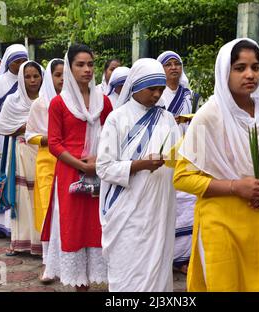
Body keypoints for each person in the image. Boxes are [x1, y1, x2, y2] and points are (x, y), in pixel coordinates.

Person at [173, 39, 259, 292]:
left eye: (255, 67)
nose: (250, 74)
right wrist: (236, 186)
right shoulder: (207, 116)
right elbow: (182, 177)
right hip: (220, 222)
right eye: (240, 67)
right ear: (225, 71)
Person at [97, 58, 181, 292]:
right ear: (135, 86)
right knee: (128, 269)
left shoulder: (166, 118)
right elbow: (103, 167)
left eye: (161, 89)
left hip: (159, 207)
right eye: (151, 89)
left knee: (158, 266)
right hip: (127, 208)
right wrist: (139, 164)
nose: (157, 95)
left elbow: (178, 156)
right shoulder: (117, 118)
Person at [41, 44, 112, 291]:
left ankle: (94, 277)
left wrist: (98, 163)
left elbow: (112, 136)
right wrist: (82, 165)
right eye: (80, 65)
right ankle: (78, 285)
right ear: (70, 69)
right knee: (73, 225)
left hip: (100, 170)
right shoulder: (59, 104)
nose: (87, 70)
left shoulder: (103, 102)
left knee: (97, 223)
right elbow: (54, 144)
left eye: (90, 64)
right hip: (71, 173)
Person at [156, 50, 199, 275]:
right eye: (169, 64)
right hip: (164, 150)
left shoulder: (188, 94)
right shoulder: (156, 93)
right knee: (167, 198)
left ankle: (184, 256)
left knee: (186, 200)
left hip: (186, 149)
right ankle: (167, 254)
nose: (174, 68)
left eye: (177, 64)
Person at [0, 60, 43, 255]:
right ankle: (21, 242)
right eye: (28, 76)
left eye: (36, 76)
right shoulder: (12, 101)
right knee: (22, 197)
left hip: (44, 151)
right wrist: (26, 127)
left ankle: (42, 243)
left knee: (41, 195)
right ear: (21, 79)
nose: (32, 80)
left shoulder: (48, 99)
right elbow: (4, 127)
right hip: (22, 153)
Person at [0, 44, 28, 238]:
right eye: (16, 61)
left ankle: (17, 226)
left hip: (26, 139)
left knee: (19, 182)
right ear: (8, 63)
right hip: (3, 141)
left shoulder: (32, 79)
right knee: (0, 180)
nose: (20, 65)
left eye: (23, 61)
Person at [25, 58, 63, 281]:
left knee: (69, 210)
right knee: (49, 208)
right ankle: (48, 262)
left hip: (72, 162)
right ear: (50, 77)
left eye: (65, 75)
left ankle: (71, 260)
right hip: (47, 161)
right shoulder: (40, 104)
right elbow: (29, 135)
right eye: (58, 75)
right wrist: (47, 139)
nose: (62, 80)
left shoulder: (78, 102)